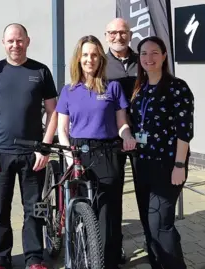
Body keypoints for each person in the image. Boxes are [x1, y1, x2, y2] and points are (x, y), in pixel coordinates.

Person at [0, 23, 58, 269]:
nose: (15, 45)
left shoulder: (40, 71)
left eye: (19, 40)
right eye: (10, 41)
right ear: (3, 42)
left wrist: (45, 147)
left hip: (33, 155)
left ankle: (34, 258)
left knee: (34, 209)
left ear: (28, 41)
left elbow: (53, 112)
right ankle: (0, 257)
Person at [55, 35, 136, 269]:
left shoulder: (113, 87)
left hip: (107, 152)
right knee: (82, 210)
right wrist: (69, 155)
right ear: (78, 60)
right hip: (78, 152)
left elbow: (122, 123)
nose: (90, 59)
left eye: (94, 55)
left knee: (108, 212)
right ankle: (83, 258)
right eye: (85, 55)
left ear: (101, 58)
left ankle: (107, 262)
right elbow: (62, 128)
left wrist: (127, 136)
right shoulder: (69, 91)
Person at [129, 36, 194, 269]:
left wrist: (179, 165)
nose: (149, 58)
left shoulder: (177, 87)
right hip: (142, 163)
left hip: (168, 165)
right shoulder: (140, 88)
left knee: (161, 223)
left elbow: (184, 130)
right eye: (144, 54)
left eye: (155, 52)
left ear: (164, 55)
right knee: (148, 222)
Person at [104, 17, 139, 263]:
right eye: (113, 33)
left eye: (123, 32)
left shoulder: (143, 61)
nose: (119, 37)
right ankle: (114, 249)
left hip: (142, 139)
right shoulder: (99, 63)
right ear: (107, 36)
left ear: (130, 34)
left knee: (146, 194)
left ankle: (154, 241)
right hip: (110, 139)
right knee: (112, 197)